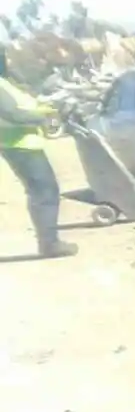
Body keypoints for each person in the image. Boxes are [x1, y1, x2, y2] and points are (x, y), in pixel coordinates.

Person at [0, 47, 77, 258]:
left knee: (42, 191)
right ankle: (49, 244)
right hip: (21, 145)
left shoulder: (6, 82)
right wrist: (41, 117)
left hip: (22, 144)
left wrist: (43, 106)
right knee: (44, 192)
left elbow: (22, 105)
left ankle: (48, 241)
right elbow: (13, 114)